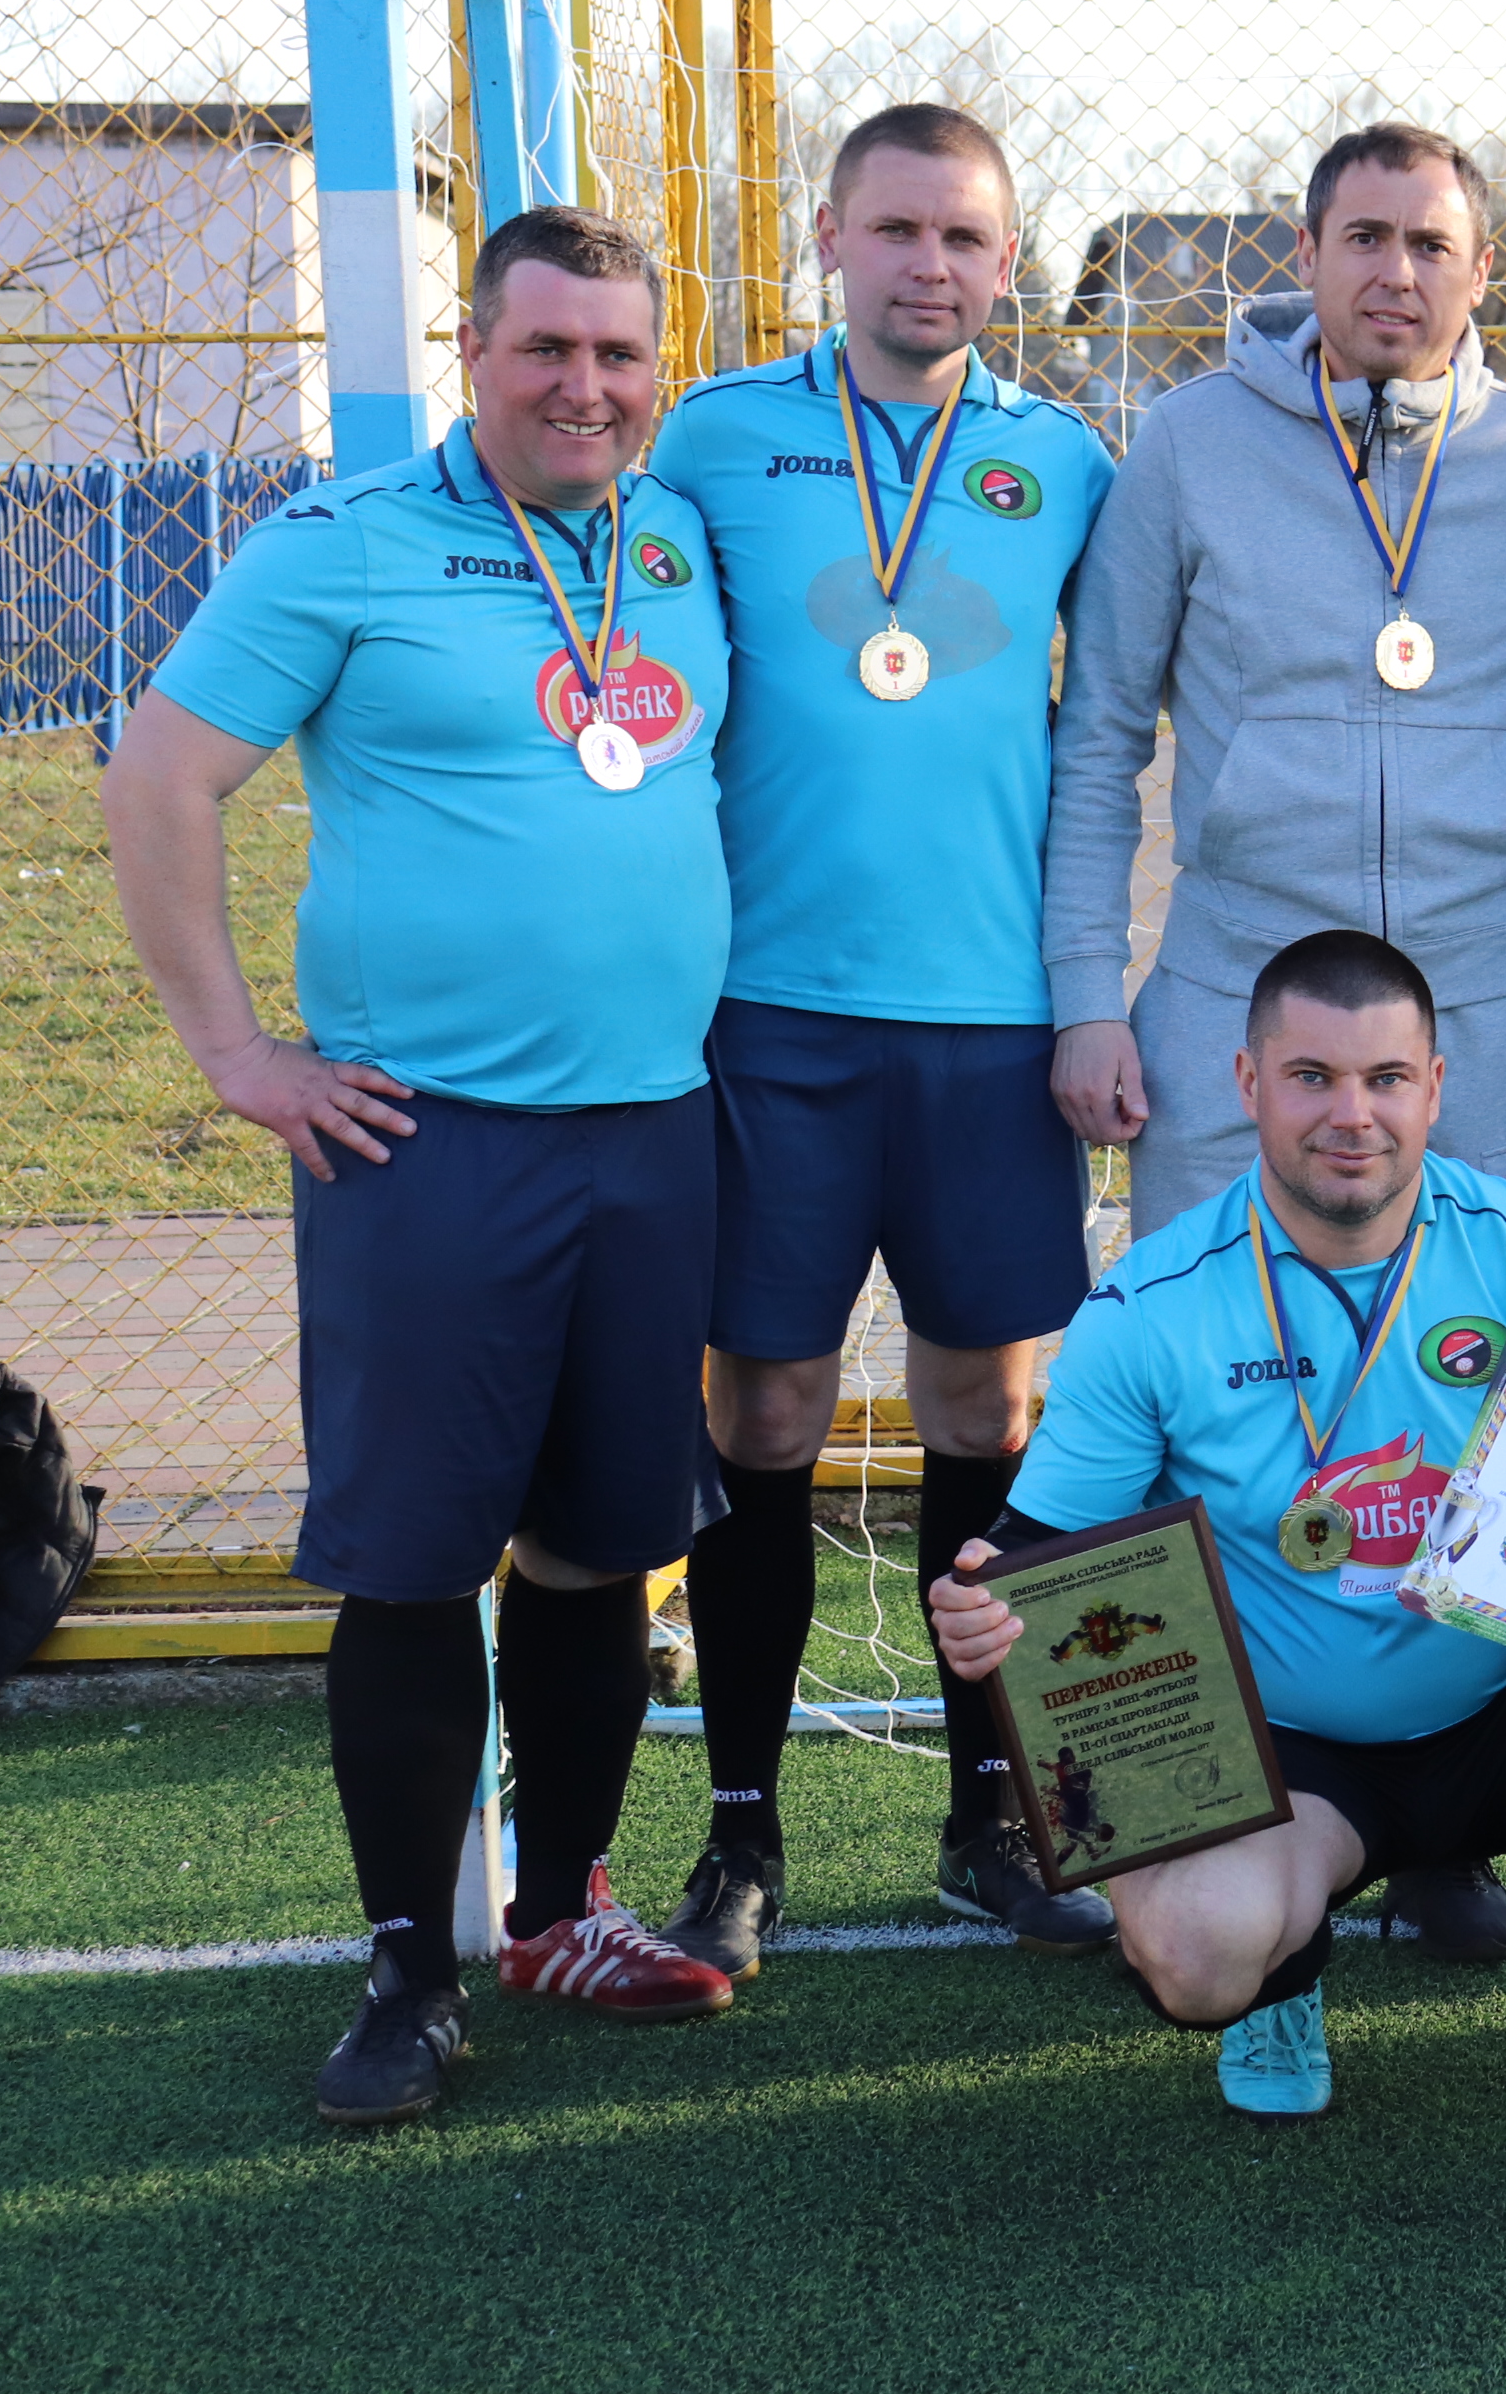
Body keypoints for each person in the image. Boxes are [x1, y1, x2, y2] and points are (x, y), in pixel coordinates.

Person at [101, 207, 740, 2124]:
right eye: (547, 348)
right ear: (474, 352)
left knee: (602, 1544)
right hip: (429, 1143)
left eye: (618, 354)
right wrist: (237, 1054)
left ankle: (561, 1911)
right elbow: (160, 775)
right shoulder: (344, 539)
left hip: (653, 1129)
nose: (585, 386)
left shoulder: (674, 537)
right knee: (411, 1559)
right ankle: (408, 1964)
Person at [1042, 123, 1506, 1960]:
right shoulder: (1189, 445)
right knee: (1193, 1407)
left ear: (1483, 271)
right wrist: (1088, 993)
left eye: (1431, 243)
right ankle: (1163, 1811)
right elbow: (1100, 735)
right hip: (1241, 994)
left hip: (1472, 1001)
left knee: (1488, 1403)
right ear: (1302, 256)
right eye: (1364, 237)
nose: (1397, 271)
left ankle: (1443, 1825)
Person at [926, 932, 1506, 2130]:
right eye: (1312, 1076)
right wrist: (982, 1600)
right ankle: (1281, 1964)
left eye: (1385, 1078)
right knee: (1195, 1953)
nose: (1352, 1115)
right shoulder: (1153, 1306)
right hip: (1299, 1766)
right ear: (1249, 1083)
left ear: (1434, 1087)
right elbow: (1034, 1545)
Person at [634, 104, 1122, 1978]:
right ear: (829, 235)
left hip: (991, 1027)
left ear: (1006, 259)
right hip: (768, 1017)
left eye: (967, 237)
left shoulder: (1061, 461)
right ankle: (740, 1830)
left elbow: (1122, 717)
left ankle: (987, 1820)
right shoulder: (714, 437)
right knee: (760, 1409)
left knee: (985, 1415)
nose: (933, 264)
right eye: (899, 228)